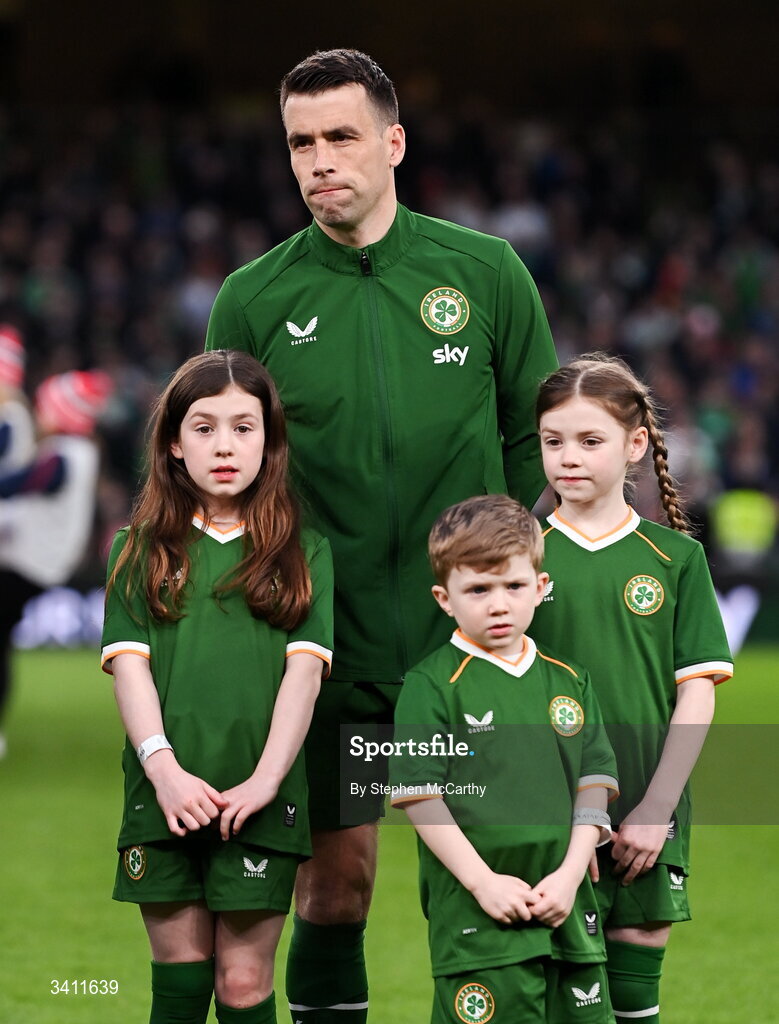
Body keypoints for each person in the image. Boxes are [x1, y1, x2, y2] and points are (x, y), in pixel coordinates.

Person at [205, 48, 558, 1021]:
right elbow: (222, 470)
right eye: (300, 143)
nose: (320, 161)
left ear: (392, 143)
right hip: (333, 653)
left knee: (499, 884)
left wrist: (527, 573)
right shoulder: (253, 298)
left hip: (476, 655)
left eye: (340, 137)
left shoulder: (483, 273)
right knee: (336, 886)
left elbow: (536, 437)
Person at [101, 351, 334, 1024]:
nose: (225, 445)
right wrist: (164, 770)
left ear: (270, 440)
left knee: (242, 984)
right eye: (204, 428)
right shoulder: (137, 547)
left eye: (243, 427)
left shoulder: (303, 550)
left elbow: (304, 675)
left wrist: (265, 782)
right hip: (163, 794)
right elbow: (130, 667)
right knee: (178, 988)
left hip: (260, 798)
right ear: (174, 442)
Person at [531, 354, 733, 1024]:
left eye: (589, 441)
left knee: (631, 1001)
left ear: (635, 445)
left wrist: (656, 809)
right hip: (543, 815)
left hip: (646, 809)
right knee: (552, 1001)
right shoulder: (515, 558)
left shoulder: (675, 559)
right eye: (552, 441)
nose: (568, 457)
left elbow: (696, 691)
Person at [390, 494, 619, 1023]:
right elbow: (420, 796)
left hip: (566, 906)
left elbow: (594, 781)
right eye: (478, 589)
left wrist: (568, 876)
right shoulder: (431, 685)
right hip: (478, 919)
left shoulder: (569, 680)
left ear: (540, 588)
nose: (498, 604)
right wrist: (482, 883)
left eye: (514, 586)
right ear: (444, 599)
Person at [0, 368, 112, 756]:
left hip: (29, 564)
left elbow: (21, 483)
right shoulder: (78, 452)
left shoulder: (64, 456)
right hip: (37, 564)